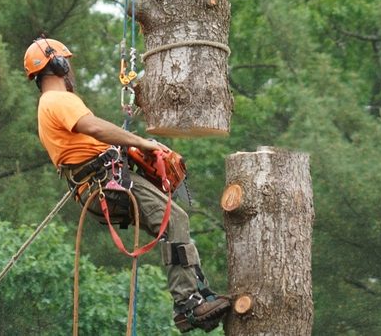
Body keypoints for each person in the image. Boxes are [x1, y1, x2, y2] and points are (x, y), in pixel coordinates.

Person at [24, 37, 231, 333]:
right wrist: (141, 142)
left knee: (174, 226)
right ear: (58, 64)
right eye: (67, 63)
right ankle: (188, 303)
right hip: (105, 181)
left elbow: (88, 139)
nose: (71, 70)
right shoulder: (59, 100)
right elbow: (94, 127)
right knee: (175, 219)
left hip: (96, 185)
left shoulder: (48, 105)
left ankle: (198, 293)